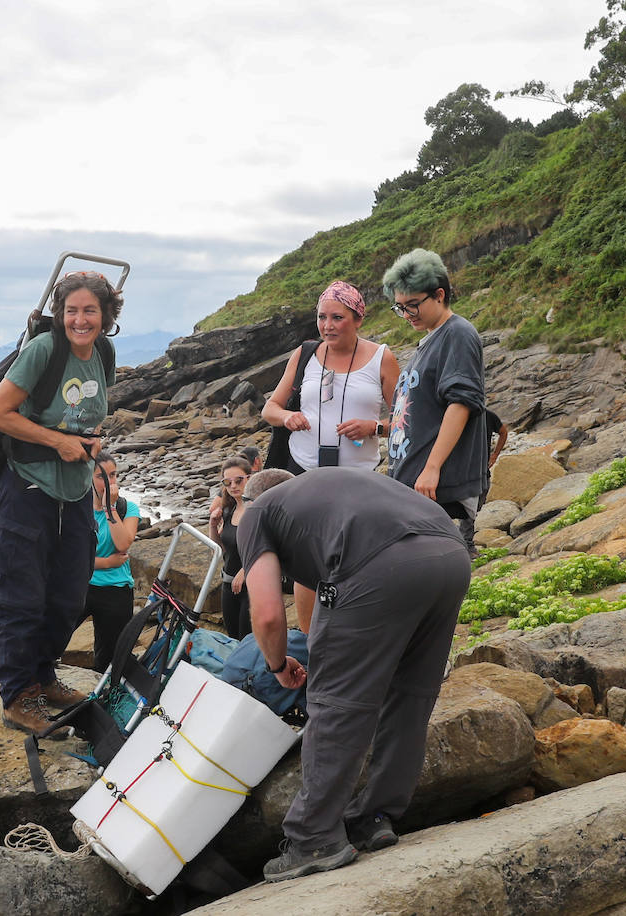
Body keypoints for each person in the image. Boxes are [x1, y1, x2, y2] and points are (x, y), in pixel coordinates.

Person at [237, 467, 471, 882]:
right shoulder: (325, 489)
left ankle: (314, 839)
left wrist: (276, 664)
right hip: (450, 556)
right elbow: (322, 586)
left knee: (337, 704)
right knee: (411, 698)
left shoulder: (258, 513)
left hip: (381, 564)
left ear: (251, 501)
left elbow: (269, 615)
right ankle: (374, 818)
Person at [0, 271, 122, 737]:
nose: (79, 320)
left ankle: (43, 677)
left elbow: (89, 415)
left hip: (77, 491)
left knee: (68, 595)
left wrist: (89, 442)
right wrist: (57, 442)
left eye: (89, 311)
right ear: (59, 313)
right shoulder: (43, 350)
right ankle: (17, 696)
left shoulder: (103, 352)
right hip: (28, 488)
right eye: (71, 311)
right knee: (25, 597)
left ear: (106, 316)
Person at [261, 280, 399, 629]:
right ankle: (310, 639)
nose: (327, 326)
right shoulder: (305, 353)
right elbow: (270, 409)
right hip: (304, 470)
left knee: (353, 555)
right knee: (307, 557)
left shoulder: (382, 358)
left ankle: (351, 624)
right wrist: (288, 417)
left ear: (357, 319)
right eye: (322, 317)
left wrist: (374, 428)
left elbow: (405, 420)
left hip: (358, 478)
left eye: (337, 317)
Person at [382, 248, 488, 531]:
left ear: (439, 295)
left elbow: (461, 404)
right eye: (400, 307)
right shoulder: (430, 340)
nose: (406, 314)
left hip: (436, 488)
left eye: (412, 304)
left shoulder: (457, 333)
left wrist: (431, 468)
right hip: (417, 486)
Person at [79, 451, 140, 673]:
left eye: (113, 475)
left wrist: (109, 508)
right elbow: (68, 558)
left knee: (110, 658)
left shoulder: (127, 508)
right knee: (51, 638)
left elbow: (123, 543)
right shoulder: (77, 509)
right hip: (82, 586)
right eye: (101, 476)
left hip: (116, 588)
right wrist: (105, 562)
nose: (109, 482)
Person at [210, 455, 253, 640]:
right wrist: (213, 525)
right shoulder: (228, 510)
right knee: (233, 637)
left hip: (252, 585)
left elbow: (268, 547)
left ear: (249, 479)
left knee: (248, 638)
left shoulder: (257, 510)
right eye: (227, 482)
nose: (233, 485)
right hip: (228, 583)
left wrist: (245, 571)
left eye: (238, 480)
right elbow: (221, 549)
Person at [457, 408, 509, 557]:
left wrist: (495, 455)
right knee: (468, 508)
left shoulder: (488, 416)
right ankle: (466, 546)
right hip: (464, 471)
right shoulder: (457, 414)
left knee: (476, 506)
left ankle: (463, 541)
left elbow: (503, 432)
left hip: (482, 471)